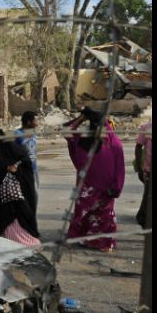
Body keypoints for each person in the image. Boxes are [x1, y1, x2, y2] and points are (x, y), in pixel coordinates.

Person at [64, 108, 125, 252]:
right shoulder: (90, 142)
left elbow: (66, 130)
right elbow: (65, 131)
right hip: (96, 187)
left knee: (96, 216)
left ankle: (96, 242)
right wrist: (82, 117)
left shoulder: (109, 142)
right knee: (92, 216)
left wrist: (82, 118)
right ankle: (94, 242)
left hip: (97, 188)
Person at [0, 127, 40, 246]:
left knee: (17, 216)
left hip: (14, 192)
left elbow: (25, 160)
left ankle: (25, 241)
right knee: (2, 218)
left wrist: (16, 167)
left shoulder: (10, 146)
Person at [15, 111, 39, 199]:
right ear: (29, 122)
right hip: (22, 171)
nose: (37, 124)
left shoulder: (33, 134)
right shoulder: (17, 134)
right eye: (35, 121)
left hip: (33, 169)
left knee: (34, 197)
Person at [134, 121, 151, 228]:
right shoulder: (146, 127)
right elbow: (138, 147)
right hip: (149, 170)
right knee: (148, 196)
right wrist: (140, 169)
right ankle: (143, 218)